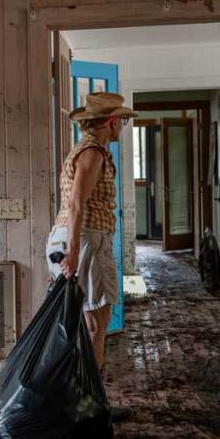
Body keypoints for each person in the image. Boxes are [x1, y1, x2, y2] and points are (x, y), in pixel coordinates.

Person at [46, 92, 137, 421]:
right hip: (84, 239)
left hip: (77, 238)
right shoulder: (93, 152)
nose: (122, 127)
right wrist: (73, 252)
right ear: (110, 122)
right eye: (121, 121)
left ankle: (77, 402)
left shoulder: (85, 148)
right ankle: (90, 409)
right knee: (96, 324)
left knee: (83, 325)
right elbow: (76, 204)